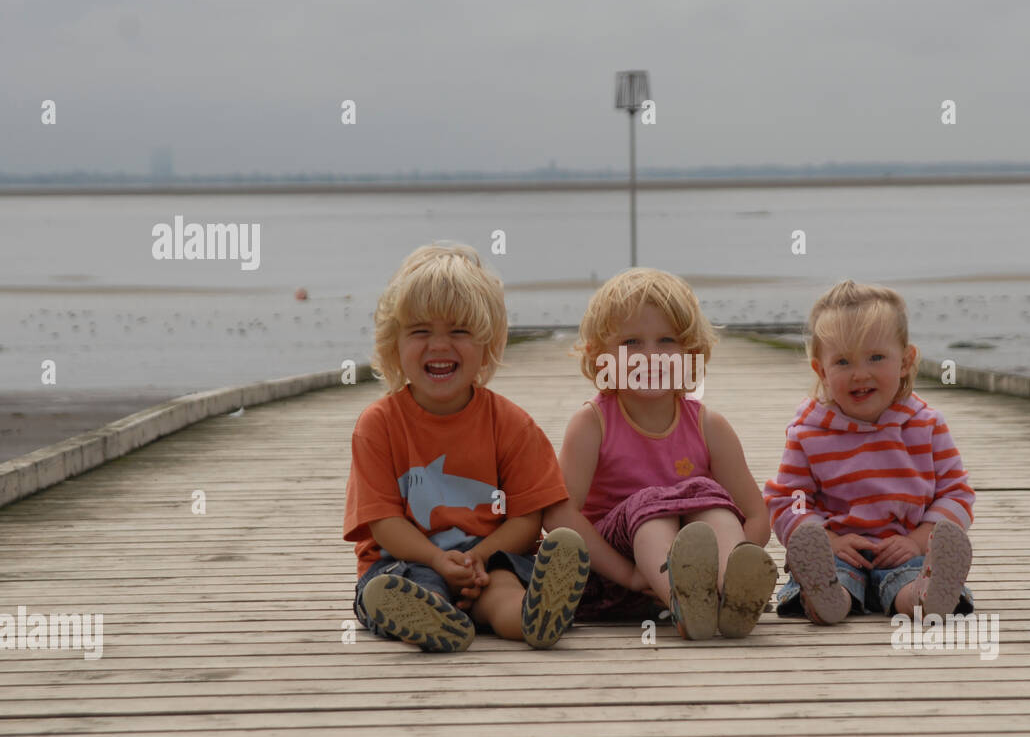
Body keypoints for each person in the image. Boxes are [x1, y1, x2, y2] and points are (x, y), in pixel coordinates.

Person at [343, 241, 589, 652]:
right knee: (407, 586)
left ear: (487, 345)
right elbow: (383, 522)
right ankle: (431, 617)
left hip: (488, 561)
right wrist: (439, 561)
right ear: (394, 344)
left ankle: (535, 617)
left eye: (459, 332)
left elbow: (527, 519)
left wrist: (479, 557)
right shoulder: (379, 426)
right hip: (407, 561)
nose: (439, 346)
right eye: (420, 332)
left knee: (505, 589)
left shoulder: (512, 425)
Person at [543, 268, 776, 640]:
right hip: (615, 580)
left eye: (666, 341)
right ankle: (684, 605)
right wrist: (629, 574)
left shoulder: (709, 426)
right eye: (631, 343)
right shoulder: (592, 424)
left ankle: (728, 592)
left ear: (691, 354)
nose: (649, 357)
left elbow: (756, 513)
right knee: (652, 510)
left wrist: (742, 550)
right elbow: (559, 512)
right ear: (599, 356)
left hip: (695, 564)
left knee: (713, 503)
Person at [763, 281, 976, 625]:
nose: (860, 374)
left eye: (876, 357)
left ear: (906, 361)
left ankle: (927, 596)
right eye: (843, 361)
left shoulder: (926, 425)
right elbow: (789, 498)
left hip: (907, 552)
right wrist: (827, 539)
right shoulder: (809, 432)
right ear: (821, 370)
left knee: (908, 583)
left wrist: (920, 540)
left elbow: (956, 492)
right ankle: (827, 599)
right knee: (835, 578)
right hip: (839, 556)